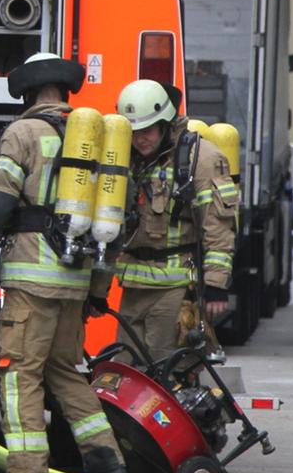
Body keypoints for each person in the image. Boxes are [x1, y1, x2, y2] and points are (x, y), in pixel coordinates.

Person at [0, 52, 131, 473]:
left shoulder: (23, 133)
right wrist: (96, 289)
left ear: (27, 92)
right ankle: (107, 466)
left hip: (32, 280)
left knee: (17, 374)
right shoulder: (92, 139)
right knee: (66, 373)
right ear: (65, 92)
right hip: (76, 279)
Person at [100, 79, 239, 356]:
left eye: (148, 130)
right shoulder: (126, 157)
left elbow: (218, 225)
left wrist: (214, 285)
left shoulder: (200, 159)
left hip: (176, 289)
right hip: (132, 286)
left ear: (165, 123)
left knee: (167, 371)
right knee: (126, 370)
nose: (140, 138)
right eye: (134, 130)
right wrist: (98, 288)